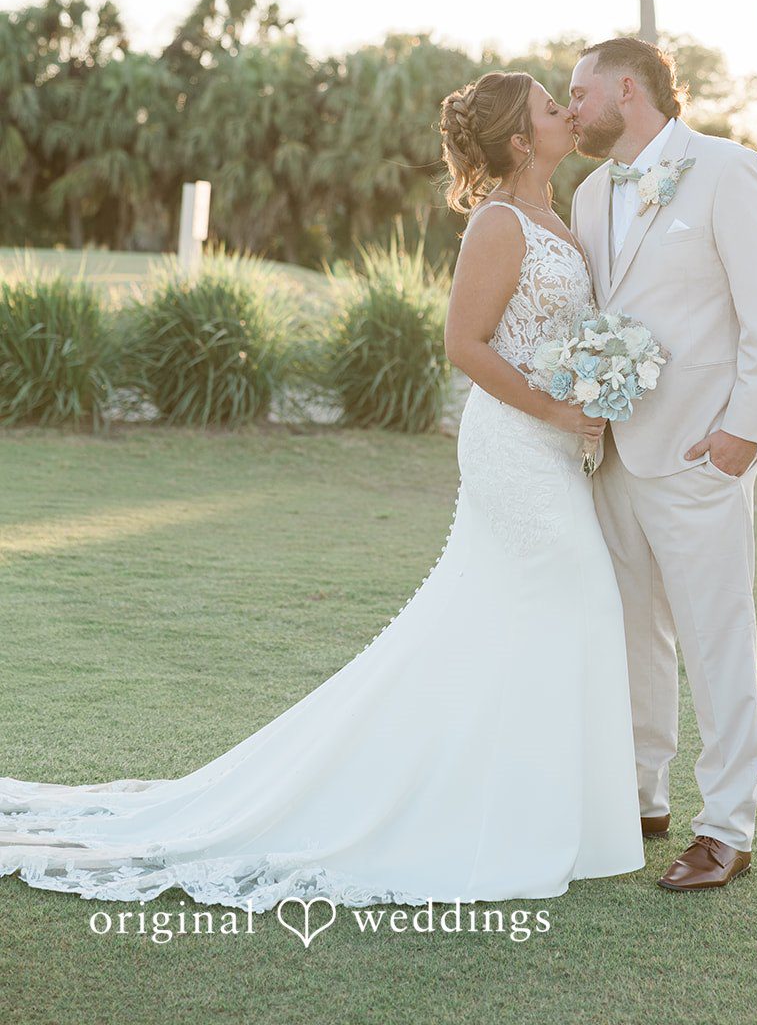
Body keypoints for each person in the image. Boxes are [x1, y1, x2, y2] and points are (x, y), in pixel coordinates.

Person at [0, 71, 644, 911]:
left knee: (532, 614)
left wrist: (594, 391)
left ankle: (539, 810)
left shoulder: (563, 217)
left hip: (556, 447)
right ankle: (493, 813)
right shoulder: (498, 222)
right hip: (516, 447)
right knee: (567, 596)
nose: (568, 114)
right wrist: (556, 409)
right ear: (522, 140)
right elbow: (464, 343)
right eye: (552, 108)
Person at [568, 38, 757, 891]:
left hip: (702, 451)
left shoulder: (727, 170)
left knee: (715, 640)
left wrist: (745, 430)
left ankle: (726, 829)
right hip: (612, 453)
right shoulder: (590, 193)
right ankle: (640, 797)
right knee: (631, 633)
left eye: (579, 92)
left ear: (627, 89)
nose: (569, 108)